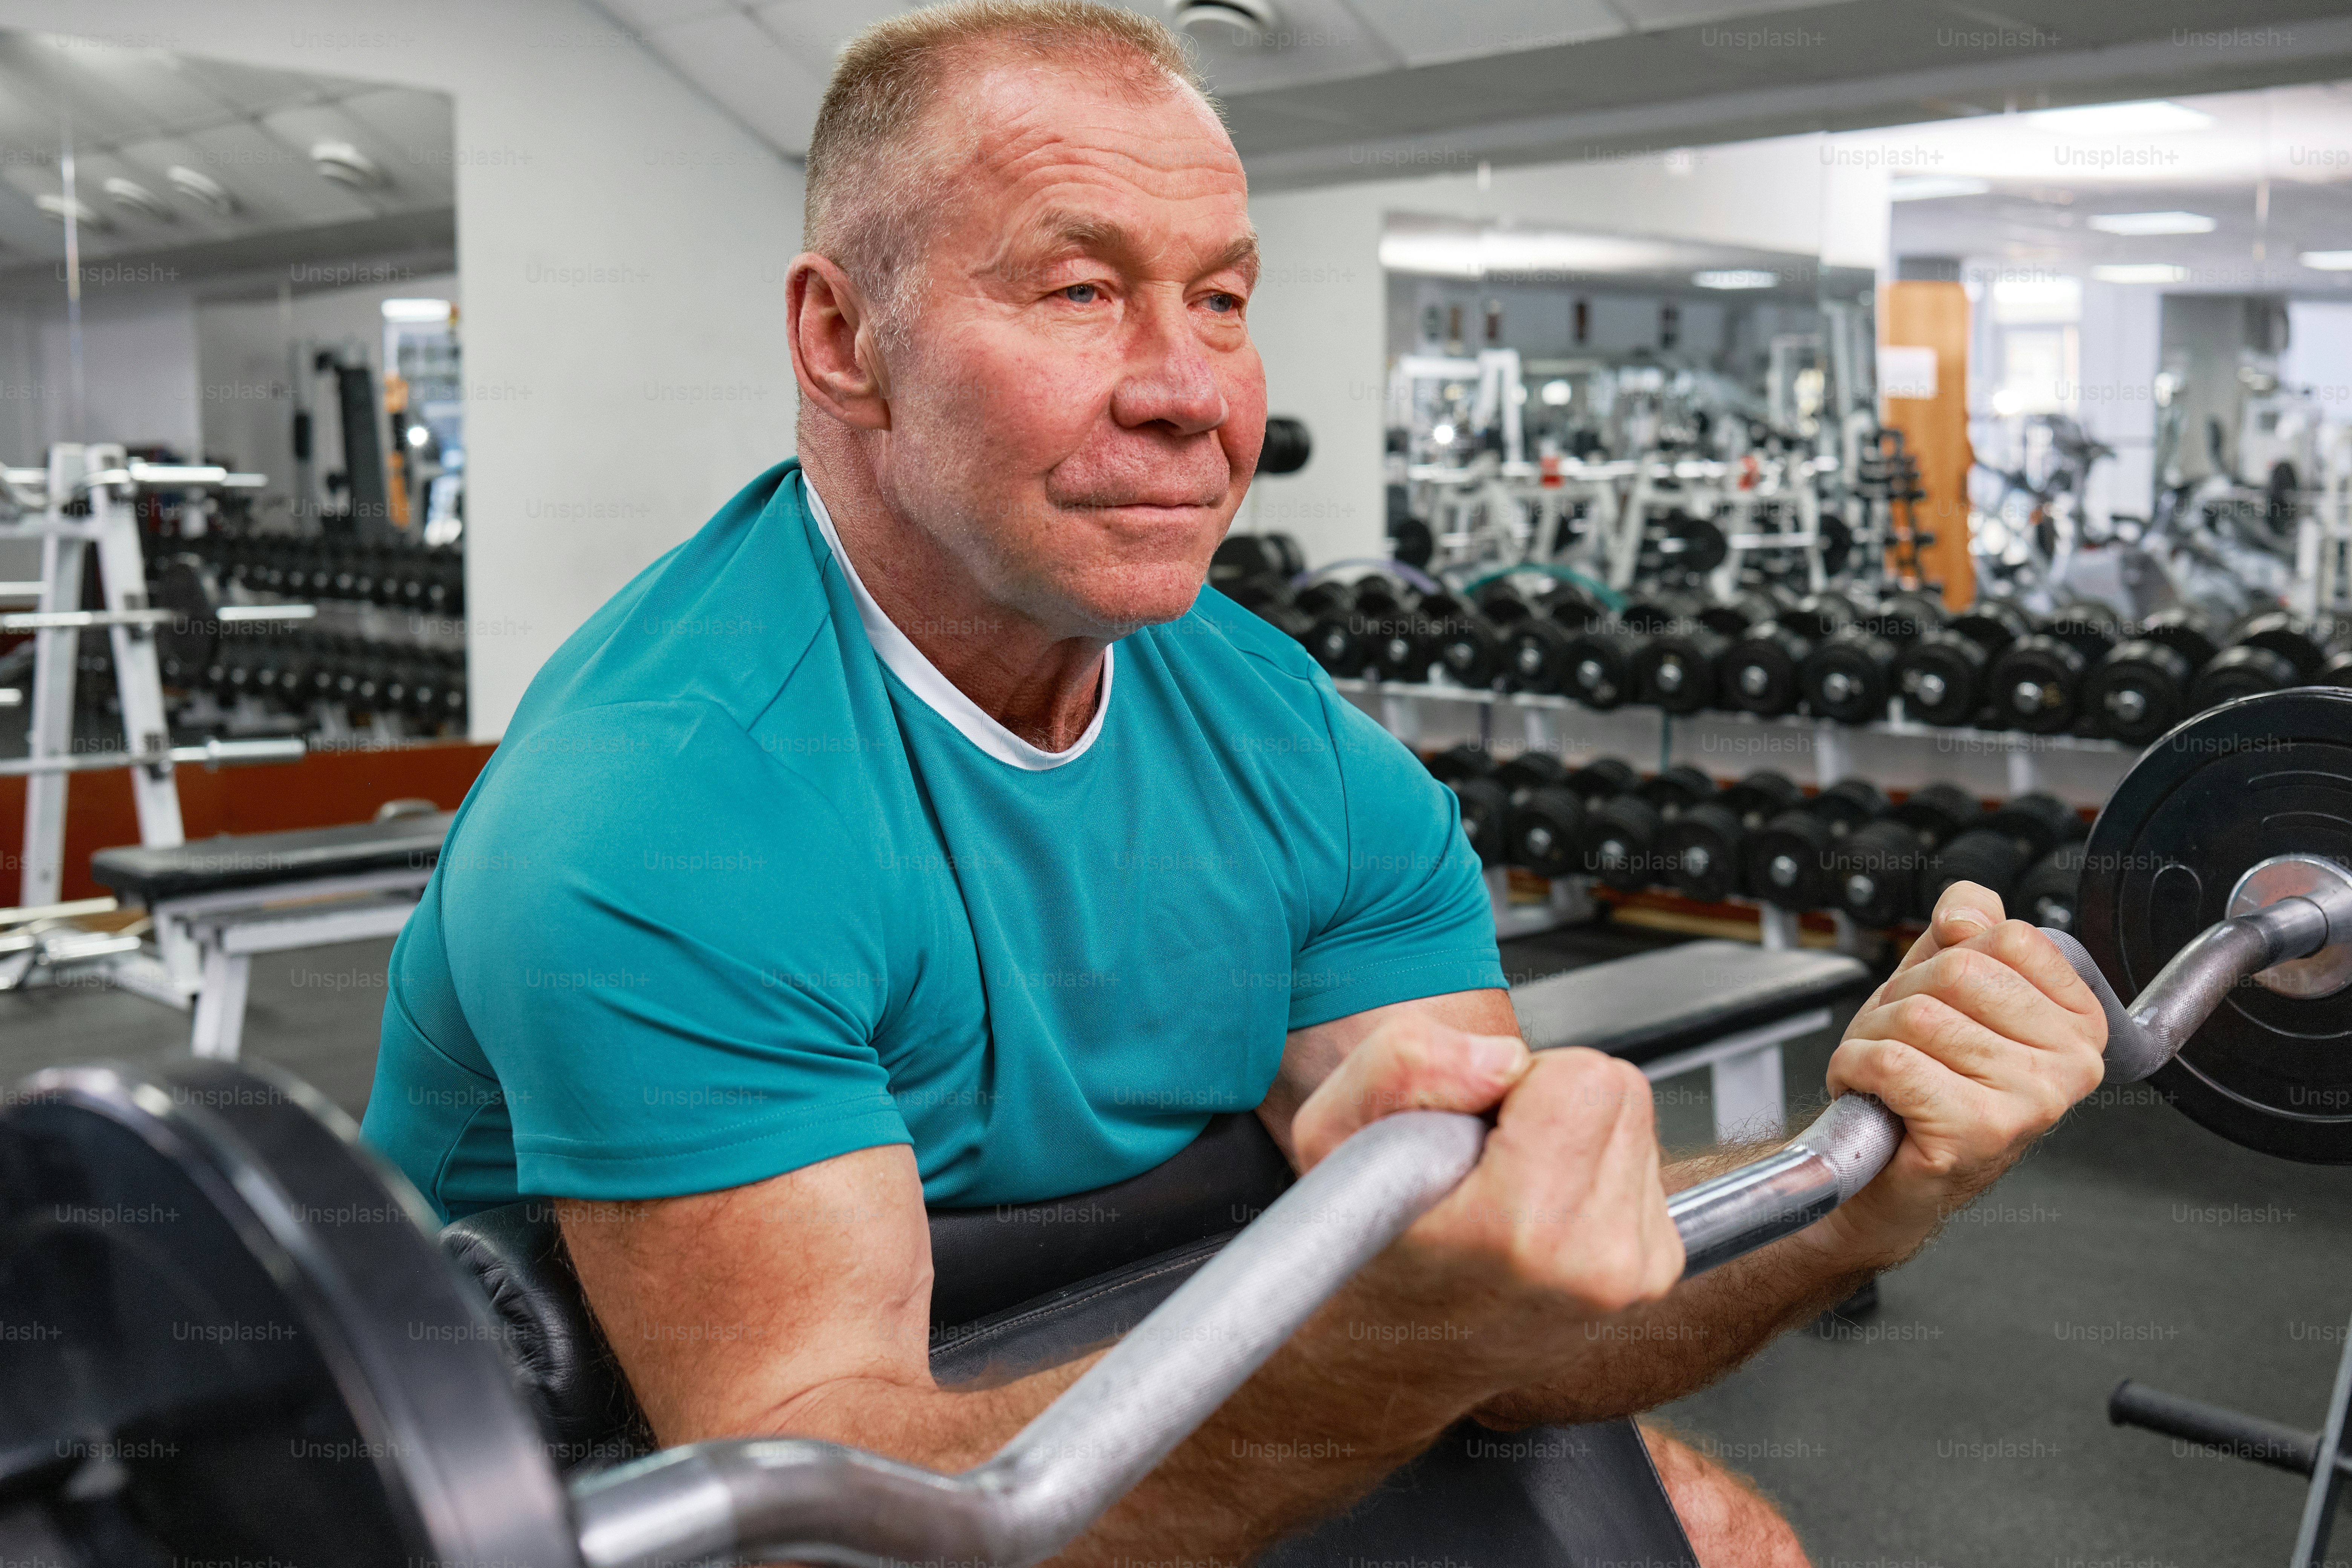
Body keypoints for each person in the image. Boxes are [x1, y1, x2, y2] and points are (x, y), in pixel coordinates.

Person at [361, 4, 2107, 1561]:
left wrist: (1856, 1190)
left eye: (1221, 297)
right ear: (844, 339)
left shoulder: (1287, 740)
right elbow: (836, 1513)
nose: (1196, 393)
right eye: (1079, 288)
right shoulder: (665, 813)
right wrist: (1401, 1342)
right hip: (619, 1451)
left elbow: (1514, 1317)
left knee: (1720, 1533)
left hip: (1142, 1294)